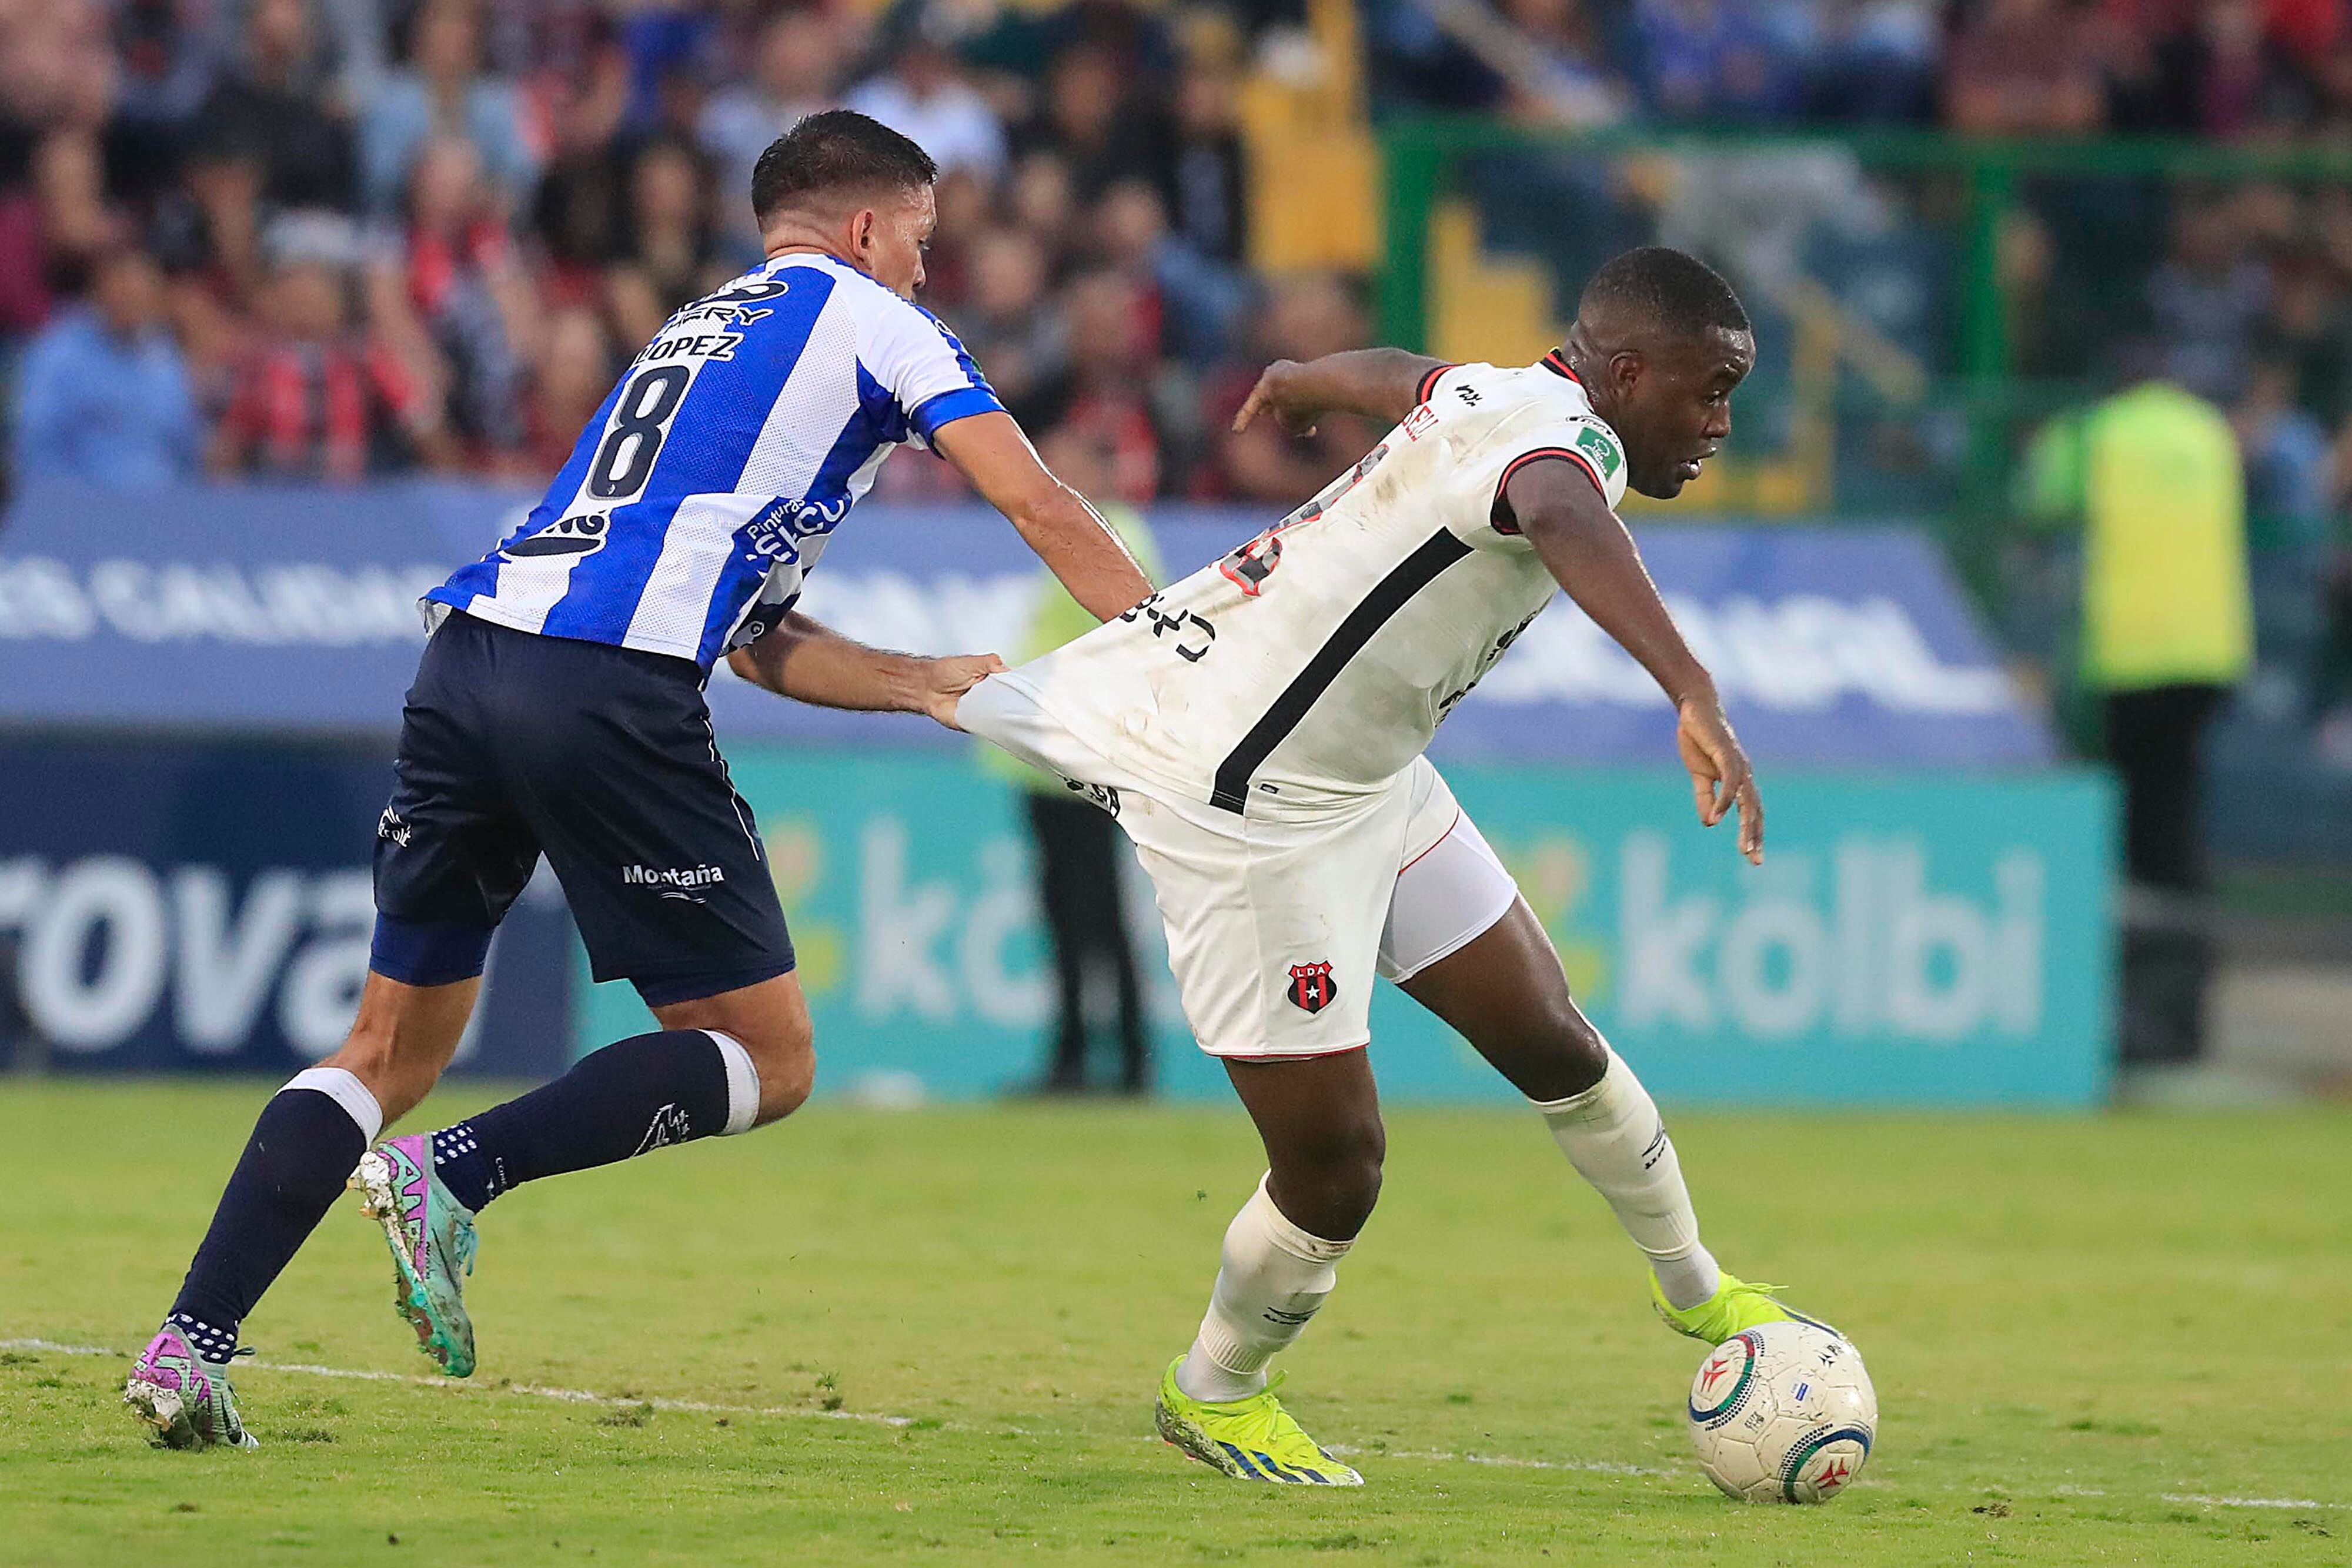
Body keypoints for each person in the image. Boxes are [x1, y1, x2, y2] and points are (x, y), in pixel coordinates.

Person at [122, 109, 1150, 1452]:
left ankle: (188, 1345)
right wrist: (1179, 654)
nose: (924, 266)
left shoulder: (700, 330)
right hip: (605, 686)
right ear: (864, 228)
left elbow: (758, 640)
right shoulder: (880, 324)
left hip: (473, 657)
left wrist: (916, 681)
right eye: (919, 237)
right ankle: (454, 1174)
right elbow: (1040, 502)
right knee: (772, 1058)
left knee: (387, 1048)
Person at [958, 248, 1820, 1486]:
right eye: (1711, 389)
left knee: (1554, 1041)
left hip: (1371, 779)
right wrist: (1690, 687)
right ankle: (1217, 1389)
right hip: (1256, 801)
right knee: (1335, 1167)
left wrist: (1306, 377)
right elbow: (1560, 510)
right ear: (1629, 376)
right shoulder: (1563, 451)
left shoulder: (1500, 392)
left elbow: (1406, 374)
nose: (1722, 422)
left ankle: (1697, 1291)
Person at [991, 424, 1166, 1095]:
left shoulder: (1109, 536)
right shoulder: (1091, 534)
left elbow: (1136, 646)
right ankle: (1090, 1060)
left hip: (1081, 761)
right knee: (1073, 917)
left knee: (1093, 917)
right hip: (1052, 761)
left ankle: (1117, 1063)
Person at [9, 246, 200, 490]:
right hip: (81, 503)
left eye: (141, 293)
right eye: (123, 290)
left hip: (164, 503)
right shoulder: (59, 354)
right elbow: (36, 444)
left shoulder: (164, 356)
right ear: (100, 291)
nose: (131, 302)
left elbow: (183, 445)